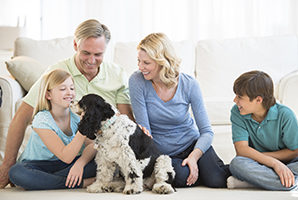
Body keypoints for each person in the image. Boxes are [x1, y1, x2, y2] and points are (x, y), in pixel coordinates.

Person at [0, 19, 133, 188]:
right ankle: (75, 182)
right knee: (18, 172)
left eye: (98, 55)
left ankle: (45, 181)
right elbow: (21, 116)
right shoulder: (56, 74)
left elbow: (125, 121)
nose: (92, 60)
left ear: (105, 50)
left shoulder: (117, 74)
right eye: (86, 53)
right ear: (75, 45)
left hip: (85, 158)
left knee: (102, 163)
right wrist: (7, 164)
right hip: (49, 161)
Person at [129, 33, 230, 188]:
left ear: (162, 62)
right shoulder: (137, 81)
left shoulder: (189, 84)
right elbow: (146, 134)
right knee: (180, 178)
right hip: (164, 153)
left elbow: (207, 132)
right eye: (139, 61)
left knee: (217, 180)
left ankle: (218, 170)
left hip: (192, 144)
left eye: (146, 63)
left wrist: (194, 158)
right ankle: (202, 171)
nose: (140, 67)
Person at [9, 69, 96, 190]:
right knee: (17, 172)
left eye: (72, 88)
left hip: (65, 166)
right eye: (62, 89)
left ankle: (44, 181)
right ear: (48, 95)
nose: (69, 92)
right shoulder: (42, 119)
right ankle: (80, 183)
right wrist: (84, 128)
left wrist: (80, 164)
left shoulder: (76, 118)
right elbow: (66, 156)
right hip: (38, 165)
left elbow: (92, 146)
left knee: (99, 161)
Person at [227, 70, 298, 191]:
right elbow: (242, 150)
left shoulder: (285, 114)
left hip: (287, 162)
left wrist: (272, 161)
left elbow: (296, 152)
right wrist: (274, 164)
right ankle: (293, 182)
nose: (235, 100)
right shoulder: (237, 112)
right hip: (258, 164)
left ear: (258, 100)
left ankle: (255, 181)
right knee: (237, 164)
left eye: (240, 97)